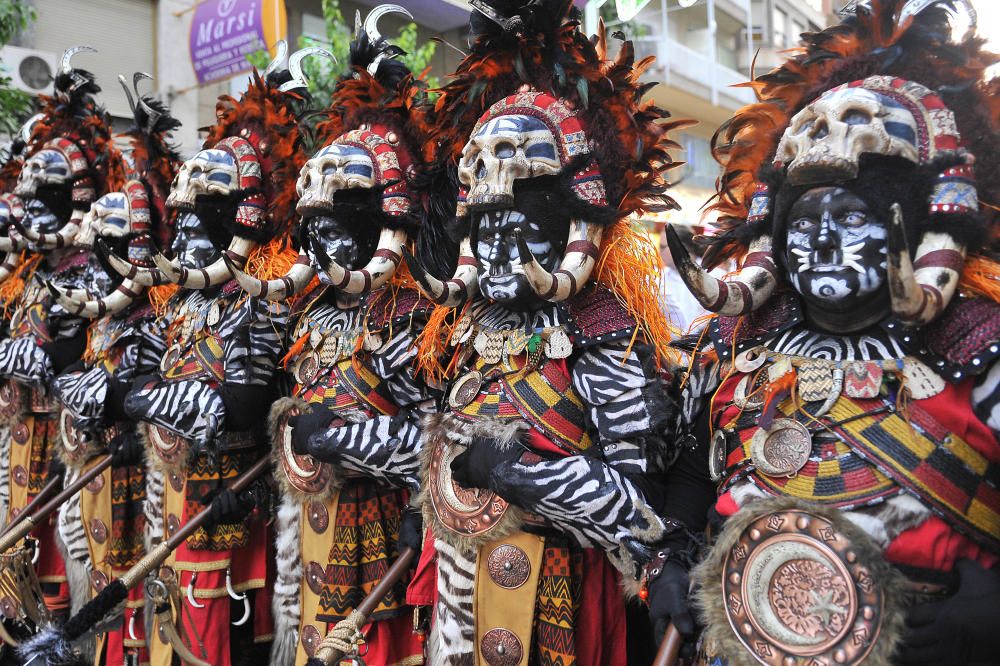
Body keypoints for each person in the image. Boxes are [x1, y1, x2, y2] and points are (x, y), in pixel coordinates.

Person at [647, 2, 1000, 664]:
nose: (827, 244)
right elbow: (691, 473)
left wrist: (989, 617)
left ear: (920, 224)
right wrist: (672, 561)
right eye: (807, 224)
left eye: (856, 219)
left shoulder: (980, 347)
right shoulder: (733, 346)